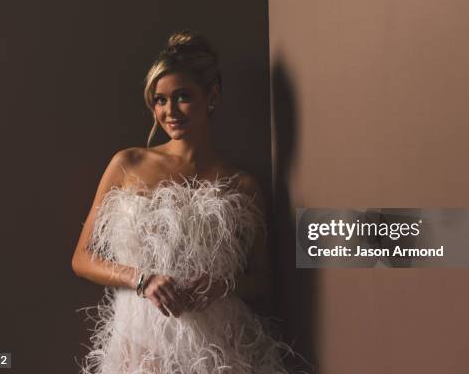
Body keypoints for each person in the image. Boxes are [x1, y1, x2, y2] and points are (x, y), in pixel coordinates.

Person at [72, 30, 300, 373]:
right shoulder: (128, 163)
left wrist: (220, 284)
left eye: (182, 97)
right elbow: (81, 258)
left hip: (216, 344)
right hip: (140, 340)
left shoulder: (241, 184)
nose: (169, 111)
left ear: (212, 95)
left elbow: (263, 278)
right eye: (160, 100)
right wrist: (142, 279)